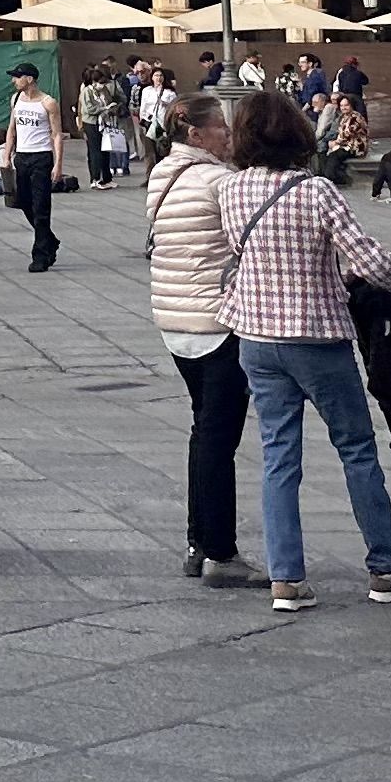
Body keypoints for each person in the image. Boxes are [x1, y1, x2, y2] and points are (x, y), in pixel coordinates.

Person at [213, 89, 391, 614]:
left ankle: (286, 578)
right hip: (315, 337)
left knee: (278, 455)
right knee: (356, 449)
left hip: (255, 338)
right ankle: (386, 567)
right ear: (294, 133)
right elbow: (369, 261)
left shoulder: (231, 191)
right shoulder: (315, 192)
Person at [142, 96, 255, 586]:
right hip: (215, 322)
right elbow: (247, 240)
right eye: (222, 132)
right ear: (196, 135)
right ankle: (220, 554)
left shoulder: (161, 175)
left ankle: (197, 541)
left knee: (203, 429)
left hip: (173, 319)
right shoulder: (217, 181)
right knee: (218, 438)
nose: (229, 139)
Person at [2, 65, 62, 271]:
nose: (14, 81)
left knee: (41, 207)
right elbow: (12, 129)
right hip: (22, 156)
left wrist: (58, 164)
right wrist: (6, 155)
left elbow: (56, 134)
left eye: (17, 77)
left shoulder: (48, 103)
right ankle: (50, 240)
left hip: (41, 157)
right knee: (24, 202)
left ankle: (41, 255)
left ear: (29, 79)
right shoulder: (16, 99)